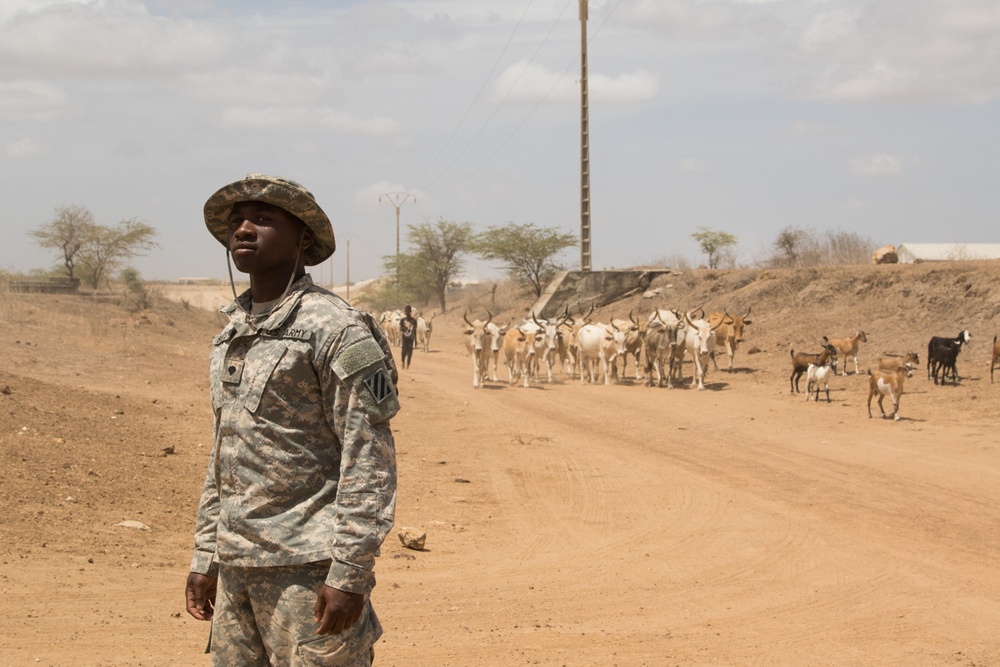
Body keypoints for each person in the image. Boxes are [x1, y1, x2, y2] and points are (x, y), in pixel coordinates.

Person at [184, 173, 399, 667]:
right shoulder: (232, 333)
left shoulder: (337, 329)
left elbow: (369, 455)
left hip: (308, 572)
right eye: (237, 220)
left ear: (303, 237)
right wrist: (206, 555)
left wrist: (349, 573)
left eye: (263, 219)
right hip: (237, 567)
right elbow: (225, 451)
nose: (243, 229)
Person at [399, 305, 417, 370]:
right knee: (403, 352)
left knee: (410, 353)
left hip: (411, 339)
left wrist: (416, 340)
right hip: (404, 338)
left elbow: (415, 331)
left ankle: (408, 365)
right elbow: (401, 329)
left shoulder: (414, 321)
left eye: (408, 311)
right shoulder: (402, 320)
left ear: (410, 312)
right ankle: (402, 361)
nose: (406, 312)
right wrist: (405, 329)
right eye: (405, 311)